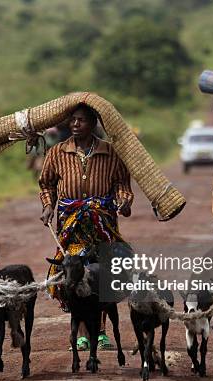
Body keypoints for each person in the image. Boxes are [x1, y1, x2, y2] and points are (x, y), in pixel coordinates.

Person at [39, 103, 133, 351]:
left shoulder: (111, 153)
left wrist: (124, 202)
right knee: (73, 276)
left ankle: (100, 332)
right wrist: (48, 206)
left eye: (81, 120)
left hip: (102, 224)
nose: (75, 125)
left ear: (93, 124)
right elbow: (46, 185)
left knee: (102, 276)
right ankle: (81, 333)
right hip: (71, 226)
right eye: (72, 120)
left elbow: (122, 185)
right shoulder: (57, 152)